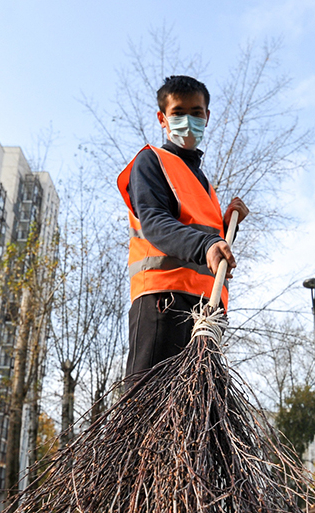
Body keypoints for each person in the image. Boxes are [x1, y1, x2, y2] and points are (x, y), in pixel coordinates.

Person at [117, 75, 249, 378]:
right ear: (162, 118)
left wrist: (228, 226)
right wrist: (206, 245)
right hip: (163, 302)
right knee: (148, 406)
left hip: (207, 309)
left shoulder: (205, 185)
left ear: (207, 116)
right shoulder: (151, 161)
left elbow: (204, 238)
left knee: (201, 416)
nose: (188, 120)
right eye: (178, 112)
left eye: (196, 112)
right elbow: (155, 222)